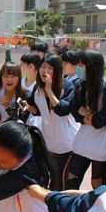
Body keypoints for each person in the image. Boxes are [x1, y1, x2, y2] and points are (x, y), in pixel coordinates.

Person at [53, 51, 106, 212]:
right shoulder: (81, 85)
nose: (80, 69)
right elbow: (75, 110)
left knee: (98, 183)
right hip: (83, 143)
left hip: (102, 146)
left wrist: (91, 118)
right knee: (71, 179)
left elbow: (105, 118)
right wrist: (85, 117)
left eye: (83, 65)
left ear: (92, 67)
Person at [25, 55, 78, 193]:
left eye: (50, 68)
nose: (45, 71)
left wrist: (49, 90)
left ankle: (59, 211)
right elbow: (37, 109)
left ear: (58, 71)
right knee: (51, 177)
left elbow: (62, 110)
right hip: (48, 141)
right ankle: (51, 209)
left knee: (60, 180)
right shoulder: (38, 87)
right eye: (43, 67)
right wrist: (28, 107)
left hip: (67, 143)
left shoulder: (67, 86)